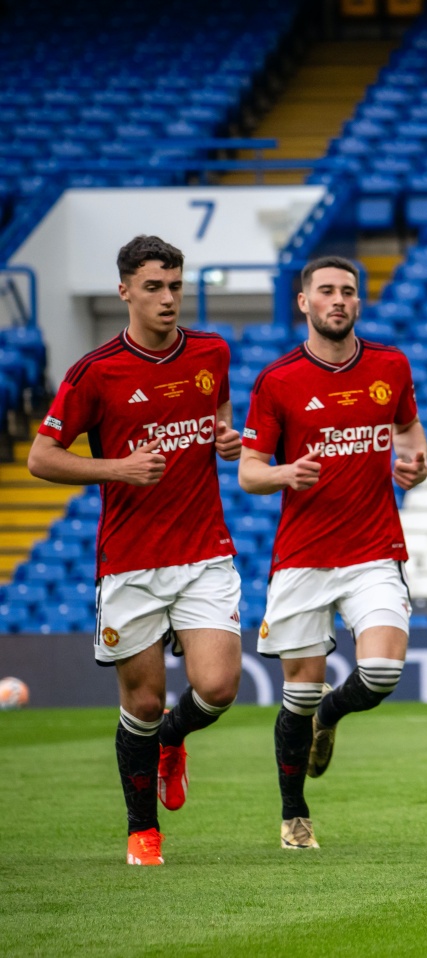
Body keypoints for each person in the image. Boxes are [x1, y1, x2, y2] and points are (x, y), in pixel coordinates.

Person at [28, 235, 243, 866]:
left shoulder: (211, 351)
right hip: (130, 561)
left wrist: (226, 439)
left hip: (204, 549)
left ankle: (173, 740)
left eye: (175, 285)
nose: (168, 298)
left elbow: (219, 412)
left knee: (218, 686)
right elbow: (41, 457)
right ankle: (142, 832)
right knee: (143, 702)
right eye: (153, 287)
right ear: (124, 291)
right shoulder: (95, 372)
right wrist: (117, 468)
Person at [239, 255, 427, 850]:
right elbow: (248, 471)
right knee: (297, 695)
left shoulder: (390, 366)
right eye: (326, 290)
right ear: (305, 302)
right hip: (302, 555)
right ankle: (294, 815)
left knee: (381, 672)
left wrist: (415, 464)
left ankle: (332, 714)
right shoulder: (277, 380)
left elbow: (409, 432)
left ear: (358, 302)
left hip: (374, 548)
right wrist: (284, 473)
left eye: (348, 290)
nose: (338, 299)